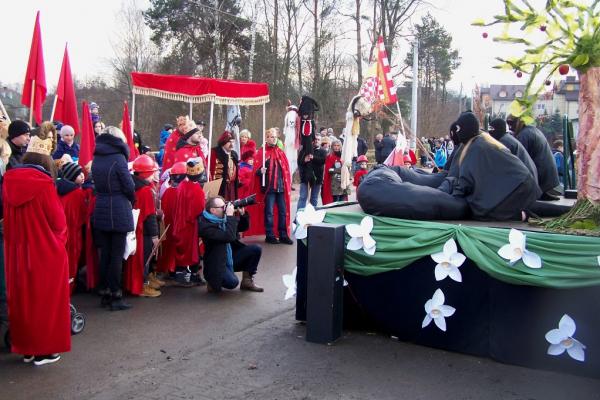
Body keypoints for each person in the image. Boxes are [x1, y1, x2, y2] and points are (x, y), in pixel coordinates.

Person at [3, 133, 70, 365]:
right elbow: (58, 222)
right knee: (46, 302)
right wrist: (59, 243)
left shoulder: (7, 181)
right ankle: (45, 350)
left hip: (17, 251)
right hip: (45, 251)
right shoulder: (44, 185)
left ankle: (27, 348)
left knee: (23, 300)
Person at [450, 112, 540, 221]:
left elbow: (466, 179)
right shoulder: (482, 141)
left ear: (466, 129)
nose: (457, 132)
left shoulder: (475, 148)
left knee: (481, 212)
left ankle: (522, 215)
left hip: (519, 187)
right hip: (519, 183)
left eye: (458, 129)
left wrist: (452, 197)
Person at [92, 126, 135, 311]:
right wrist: (131, 198)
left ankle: (105, 292)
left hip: (101, 205)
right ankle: (116, 295)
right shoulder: (118, 158)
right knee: (116, 256)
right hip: (117, 207)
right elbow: (129, 185)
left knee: (106, 254)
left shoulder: (96, 158)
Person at [199, 196, 264, 293]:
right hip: (216, 263)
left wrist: (243, 215)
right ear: (212, 210)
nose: (225, 209)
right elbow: (228, 236)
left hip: (229, 257)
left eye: (225, 205)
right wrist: (230, 217)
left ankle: (247, 281)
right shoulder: (205, 226)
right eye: (222, 207)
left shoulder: (223, 220)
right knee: (232, 282)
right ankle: (212, 282)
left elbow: (242, 227)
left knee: (255, 249)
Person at [126, 155, 161, 298]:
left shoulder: (135, 186)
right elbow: (150, 216)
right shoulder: (145, 190)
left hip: (136, 228)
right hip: (143, 231)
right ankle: (141, 285)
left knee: (139, 260)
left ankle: (141, 283)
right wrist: (155, 236)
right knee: (143, 260)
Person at [507, 114, 560, 200]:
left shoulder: (524, 135)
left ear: (519, 122)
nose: (509, 128)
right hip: (549, 178)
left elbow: (519, 162)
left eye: (511, 124)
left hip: (542, 179)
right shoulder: (532, 130)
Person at [254, 128, 293, 244]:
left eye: (275, 137)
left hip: (281, 187)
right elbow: (255, 172)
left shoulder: (280, 152)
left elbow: (285, 169)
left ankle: (283, 234)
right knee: (269, 212)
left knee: (282, 211)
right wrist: (260, 171)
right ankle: (269, 234)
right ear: (266, 138)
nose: (273, 139)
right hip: (269, 188)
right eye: (271, 137)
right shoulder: (261, 153)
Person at [173, 159, 206, 286]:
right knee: (191, 253)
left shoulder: (182, 185)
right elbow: (198, 210)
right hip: (191, 225)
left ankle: (186, 275)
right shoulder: (196, 189)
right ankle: (189, 276)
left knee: (183, 251)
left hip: (180, 223)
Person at [57, 162, 87, 293]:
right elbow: (82, 215)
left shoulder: (56, 188)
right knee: (72, 260)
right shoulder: (77, 193)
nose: (82, 175)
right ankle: (70, 288)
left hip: (60, 231)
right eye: (78, 173)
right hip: (74, 232)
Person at [156, 161, 187, 276]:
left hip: (167, 224)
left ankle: (167, 267)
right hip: (175, 225)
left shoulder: (166, 188)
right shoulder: (179, 191)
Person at [488, 118, 539, 185]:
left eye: (491, 129)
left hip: (526, 183)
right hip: (529, 179)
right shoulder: (507, 138)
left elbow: (499, 167)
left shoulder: (504, 143)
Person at [297, 135, 327, 209]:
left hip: (317, 178)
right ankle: (299, 215)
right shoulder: (304, 150)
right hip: (305, 178)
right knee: (303, 197)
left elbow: (323, 161)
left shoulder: (323, 151)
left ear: (320, 141)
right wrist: (304, 160)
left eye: (318, 139)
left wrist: (313, 158)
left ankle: (312, 216)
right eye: (315, 139)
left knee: (314, 198)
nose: (316, 141)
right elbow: (299, 162)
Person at [210, 131, 239, 201]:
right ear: (223, 142)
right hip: (219, 186)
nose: (232, 144)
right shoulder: (214, 153)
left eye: (233, 142)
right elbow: (210, 170)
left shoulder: (234, 154)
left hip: (231, 186)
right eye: (229, 142)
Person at [322, 139, 350, 204]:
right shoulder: (329, 157)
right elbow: (329, 170)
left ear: (340, 146)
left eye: (338, 145)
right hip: (334, 184)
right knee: (335, 202)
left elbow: (348, 169)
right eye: (335, 145)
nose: (336, 147)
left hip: (343, 181)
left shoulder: (343, 157)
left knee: (343, 202)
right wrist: (340, 170)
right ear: (332, 146)